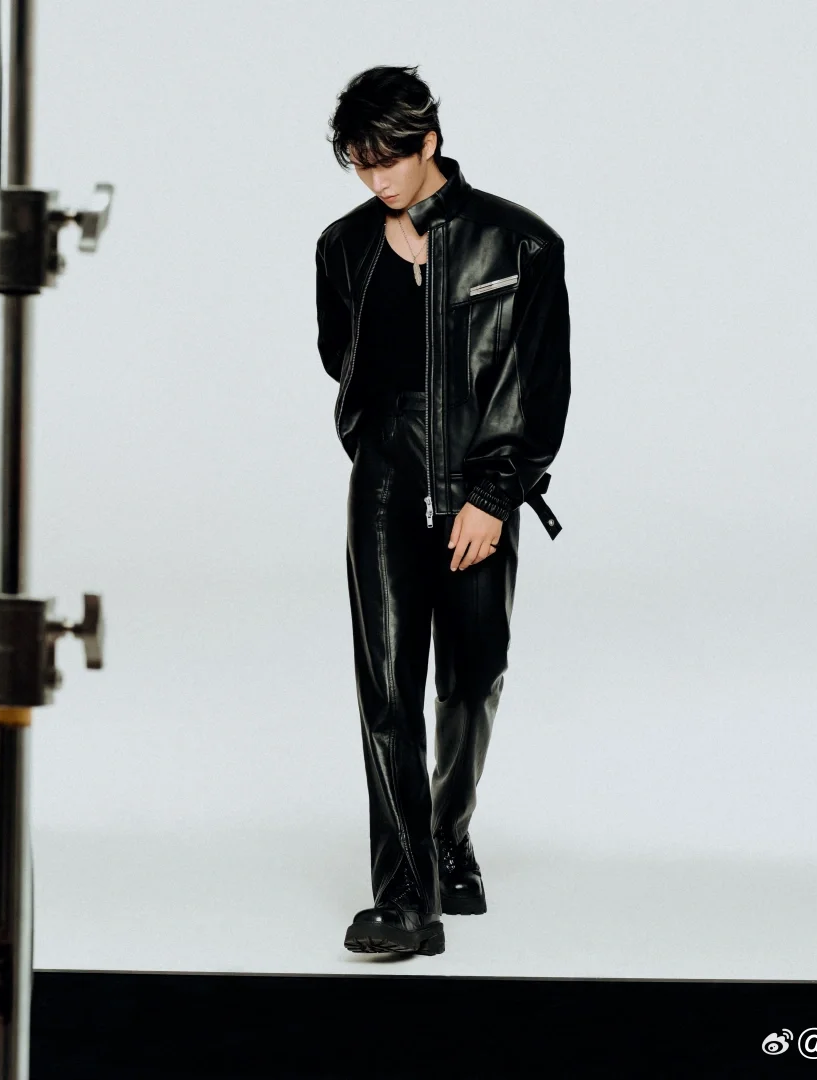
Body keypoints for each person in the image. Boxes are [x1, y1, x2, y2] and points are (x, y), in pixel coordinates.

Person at [315, 65, 571, 955]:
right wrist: (381, 447)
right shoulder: (342, 246)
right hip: (385, 473)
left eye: (387, 159)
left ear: (428, 141)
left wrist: (492, 493)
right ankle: (403, 898)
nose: (375, 179)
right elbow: (342, 358)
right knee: (387, 686)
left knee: (471, 675)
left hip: (478, 473)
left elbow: (537, 386)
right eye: (358, 163)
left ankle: (448, 833)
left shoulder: (520, 243)